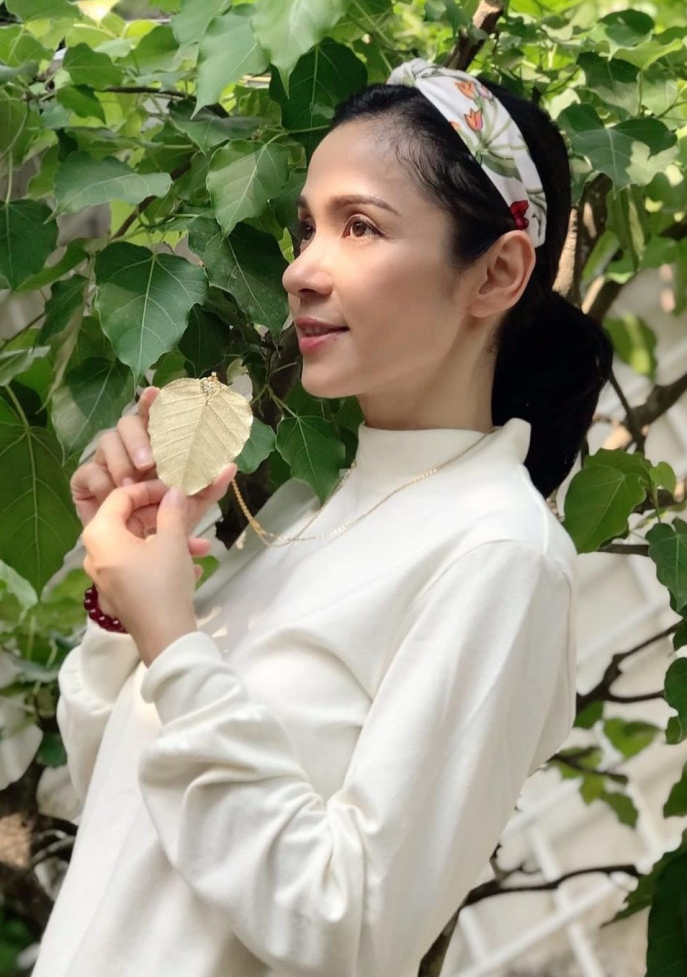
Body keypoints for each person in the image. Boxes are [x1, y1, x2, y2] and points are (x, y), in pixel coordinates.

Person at [32, 58, 613, 977]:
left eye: (361, 226)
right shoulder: (308, 506)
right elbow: (118, 800)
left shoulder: (500, 554)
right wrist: (125, 605)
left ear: (496, 272)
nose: (300, 269)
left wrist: (175, 638)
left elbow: (352, 929)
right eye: (307, 227)